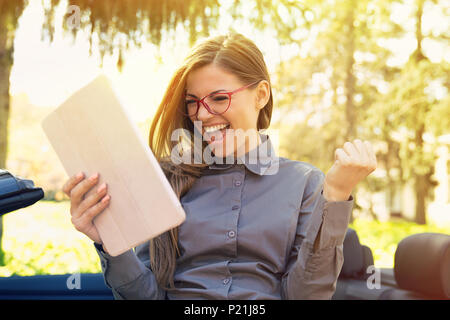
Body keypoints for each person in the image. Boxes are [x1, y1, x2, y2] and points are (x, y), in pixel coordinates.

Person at [62, 32, 377, 300]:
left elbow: (306, 294)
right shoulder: (166, 180)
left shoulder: (305, 183)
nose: (202, 114)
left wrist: (336, 194)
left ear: (261, 95)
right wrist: (108, 239)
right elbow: (146, 295)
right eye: (192, 102)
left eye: (218, 98)